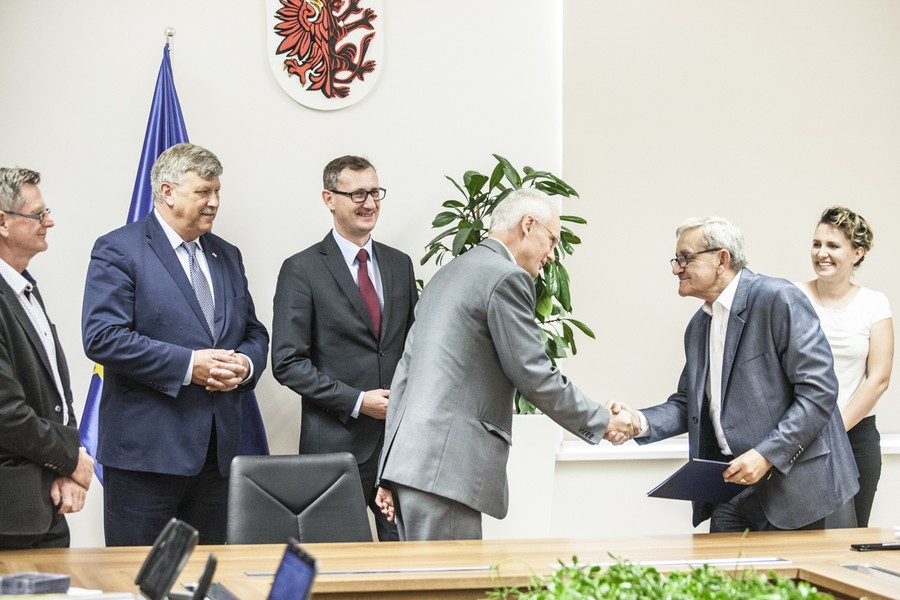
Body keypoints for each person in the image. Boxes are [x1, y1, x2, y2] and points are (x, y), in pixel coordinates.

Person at [374, 188, 636, 541]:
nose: (552, 255)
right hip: (445, 473)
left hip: (412, 470)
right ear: (528, 224)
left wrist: (388, 472)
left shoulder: (446, 276)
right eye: (552, 240)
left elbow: (404, 376)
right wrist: (602, 420)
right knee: (453, 590)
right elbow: (534, 374)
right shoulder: (505, 277)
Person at [82, 143, 269, 546]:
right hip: (146, 460)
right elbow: (103, 337)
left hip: (218, 459)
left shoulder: (227, 255)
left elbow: (253, 332)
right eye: (203, 192)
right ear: (167, 192)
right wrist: (189, 366)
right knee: (140, 580)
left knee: (206, 581)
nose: (215, 202)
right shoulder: (119, 249)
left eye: (217, 191)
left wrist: (245, 365)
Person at [628, 216, 858, 532]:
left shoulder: (778, 298)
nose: (676, 268)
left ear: (722, 259)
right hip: (729, 489)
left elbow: (818, 392)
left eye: (685, 258)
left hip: (796, 492)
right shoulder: (698, 326)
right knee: (720, 579)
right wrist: (637, 423)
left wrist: (766, 455)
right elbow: (688, 404)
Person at [271, 155, 417, 541]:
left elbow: (414, 347)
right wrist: (358, 401)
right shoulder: (301, 269)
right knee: (339, 566)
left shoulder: (399, 264)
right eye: (357, 194)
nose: (369, 203)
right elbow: (287, 362)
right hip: (335, 446)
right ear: (329, 198)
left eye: (374, 192)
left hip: (398, 447)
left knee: (407, 557)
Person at [0, 167, 94, 549]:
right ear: (3, 223)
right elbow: (7, 413)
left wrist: (63, 469)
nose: (49, 221)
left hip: (42, 502)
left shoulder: (23, 288)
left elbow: (54, 391)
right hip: (9, 514)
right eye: (38, 214)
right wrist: (70, 458)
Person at [796, 206, 892, 528]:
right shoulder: (791, 296)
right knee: (801, 541)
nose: (821, 253)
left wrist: (832, 429)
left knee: (847, 541)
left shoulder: (874, 303)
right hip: (799, 436)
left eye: (833, 246)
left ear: (857, 253)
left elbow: (878, 379)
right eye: (817, 244)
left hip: (856, 437)